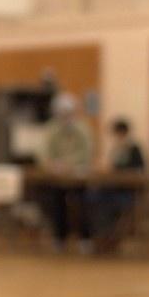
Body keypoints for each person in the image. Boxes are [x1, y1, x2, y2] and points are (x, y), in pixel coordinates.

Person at [39, 92, 93, 252]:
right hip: (57, 178)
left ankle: (85, 238)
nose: (65, 117)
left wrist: (69, 164)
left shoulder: (83, 129)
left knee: (83, 205)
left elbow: (87, 152)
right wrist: (53, 164)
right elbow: (44, 153)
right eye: (62, 113)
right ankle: (59, 237)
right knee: (55, 204)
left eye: (68, 113)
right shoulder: (51, 129)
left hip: (79, 176)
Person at [87, 118, 145, 245]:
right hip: (111, 188)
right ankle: (101, 237)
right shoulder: (115, 149)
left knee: (108, 204)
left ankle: (110, 237)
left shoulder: (134, 149)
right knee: (92, 198)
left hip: (127, 190)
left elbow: (138, 170)